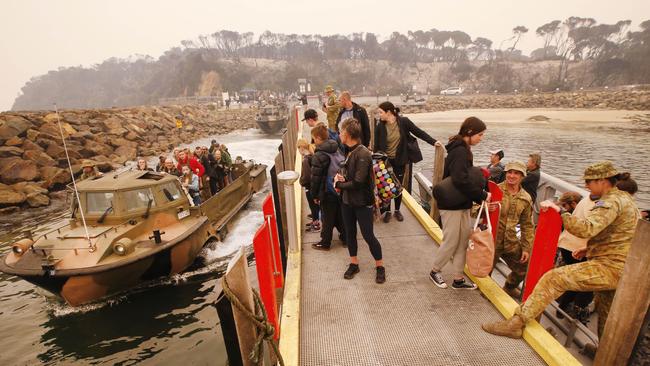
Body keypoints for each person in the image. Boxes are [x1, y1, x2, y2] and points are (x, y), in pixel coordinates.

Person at [482, 161, 640, 339]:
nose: (586, 187)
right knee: (608, 315)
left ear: (602, 181)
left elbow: (585, 228)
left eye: (589, 182)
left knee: (553, 278)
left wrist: (560, 212)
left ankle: (516, 323)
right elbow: (619, 235)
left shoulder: (610, 202)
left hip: (611, 267)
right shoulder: (625, 199)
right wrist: (589, 249)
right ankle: (603, 353)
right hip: (623, 267)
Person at [429, 117, 490, 290]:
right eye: (480, 134)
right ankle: (435, 270)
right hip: (452, 205)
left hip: (462, 203)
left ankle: (458, 278)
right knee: (451, 240)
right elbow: (460, 179)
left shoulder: (462, 148)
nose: (481, 138)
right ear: (469, 132)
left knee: (463, 241)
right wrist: (482, 194)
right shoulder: (460, 151)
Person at [334, 118, 385, 284]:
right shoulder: (349, 150)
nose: (339, 134)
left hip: (362, 202)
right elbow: (350, 174)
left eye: (341, 132)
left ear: (348, 134)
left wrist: (339, 183)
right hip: (347, 201)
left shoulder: (362, 153)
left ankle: (380, 266)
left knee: (368, 236)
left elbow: (358, 182)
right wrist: (341, 176)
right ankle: (354, 263)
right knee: (350, 233)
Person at [373, 101, 438, 223]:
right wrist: (375, 162)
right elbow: (376, 146)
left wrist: (433, 142)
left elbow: (418, 132)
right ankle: (387, 211)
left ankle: (397, 210)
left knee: (398, 186)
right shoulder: (380, 126)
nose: (379, 114)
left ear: (389, 112)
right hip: (385, 162)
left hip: (400, 160)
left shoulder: (403, 122)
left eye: (381, 112)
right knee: (385, 187)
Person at [489, 161, 534, 298]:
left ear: (522, 177)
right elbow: (474, 209)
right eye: (509, 172)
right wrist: (485, 207)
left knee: (523, 267)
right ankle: (481, 294)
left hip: (511, 241)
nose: (512, 176)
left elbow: (527, 225)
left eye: (516, 173)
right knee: (485, 269)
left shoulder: (526, 198)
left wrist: (526, 248)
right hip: (492, 240)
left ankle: (509, 287)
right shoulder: (494, 190)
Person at [554, 191, 595, 324]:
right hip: (577, 248)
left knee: (575, 279)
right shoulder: (593, 206)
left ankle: (564, 305)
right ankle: (573, 311)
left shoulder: (584, 204)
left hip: (569, 246)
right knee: (583, 284)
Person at [310, 125, 346, 249]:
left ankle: (325, 243)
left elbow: (315, 178)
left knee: (327, 218)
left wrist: (314, 195)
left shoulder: (319, 155)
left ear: (319, 138)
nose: (313, 141)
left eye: (314, 138)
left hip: (327, 191)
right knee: (340, 215)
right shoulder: (336, 148)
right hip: (339, 188)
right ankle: (346, 238)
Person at [298, 139, 320, 232]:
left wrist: (301, 181)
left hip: (309, 187)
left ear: (301, 148)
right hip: (314, 185)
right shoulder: (312, 156)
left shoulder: (306, 160)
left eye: (298, 148)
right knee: (315, 206)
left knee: (313, 206)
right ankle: (316, 222)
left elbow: (306, 176)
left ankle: (316, 225)